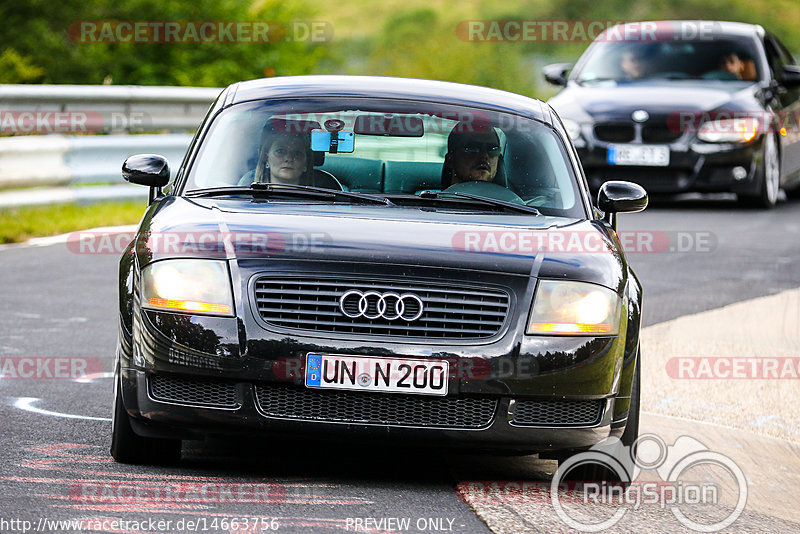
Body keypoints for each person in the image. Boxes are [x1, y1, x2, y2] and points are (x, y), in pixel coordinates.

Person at [241, 127, 314, 186]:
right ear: (266, 158)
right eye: (280, 151)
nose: (288, 158)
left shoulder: (322, 199)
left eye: (297, 153)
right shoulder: (243, 197)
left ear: (305, 163)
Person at [441, 123, 502, 187]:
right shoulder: (433, 197)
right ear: (450, 160)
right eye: (473, 148)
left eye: (493, 149)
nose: (484, 155)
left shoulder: (511, 197)